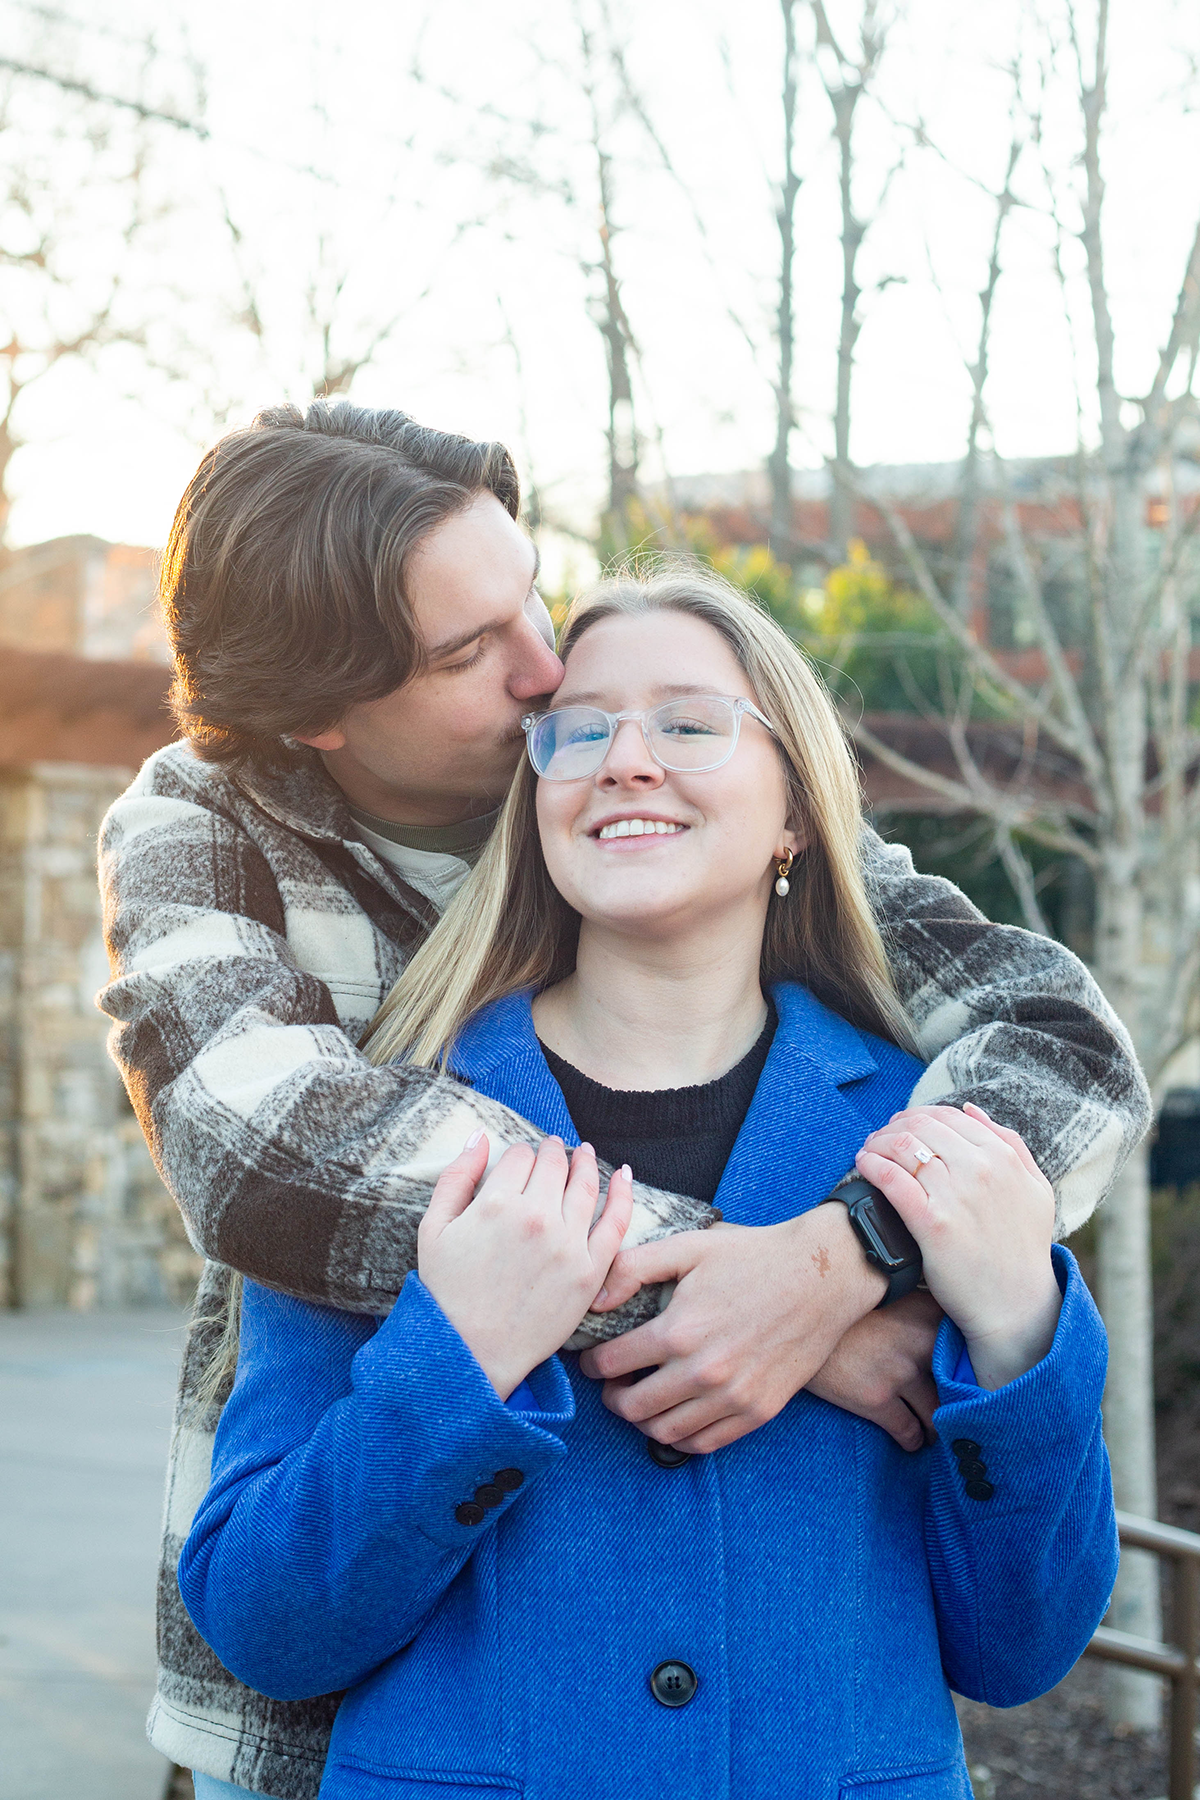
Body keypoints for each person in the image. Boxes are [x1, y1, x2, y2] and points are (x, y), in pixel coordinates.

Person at [95, 401, 1146, 1797]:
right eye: (478, 656)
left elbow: (1065, 1037)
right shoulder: (210, 837)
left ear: (793, 808)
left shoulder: (902, 1121)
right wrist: (765, 1304)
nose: (552, 679)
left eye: (532, 594)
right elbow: (269, 1161)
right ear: (320, 720)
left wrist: (849, 1252)